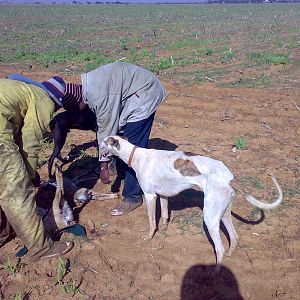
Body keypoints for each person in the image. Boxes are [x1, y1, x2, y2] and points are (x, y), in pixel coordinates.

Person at [66, 62, 168, 216]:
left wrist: (104, 166)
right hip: (135, 90)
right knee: (121, 136)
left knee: (134, 149)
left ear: (79, 102)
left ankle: (133, 196)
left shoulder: (98, 96)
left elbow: (106, 132)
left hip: (145, 94)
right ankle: (119, 167)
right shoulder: (89, 84)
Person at [0, 75, 74, 261]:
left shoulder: (22, 89)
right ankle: (40, 248)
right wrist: (31, 175)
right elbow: (30, 140)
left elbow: (17, 132)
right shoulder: (44, 99)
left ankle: (2, 231)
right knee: (17, 194)